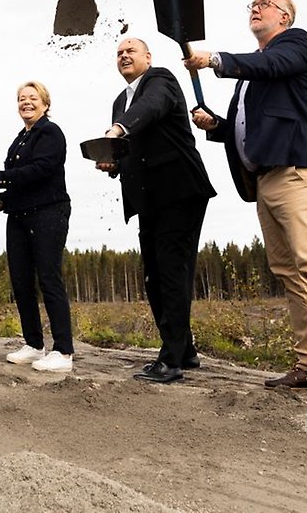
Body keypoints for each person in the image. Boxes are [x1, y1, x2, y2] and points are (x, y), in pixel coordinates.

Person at [184, 0, 307, 404]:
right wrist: (218, 125)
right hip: (264, 179)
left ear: (285, 16)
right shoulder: (253, 76)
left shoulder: (294, 45)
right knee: (289, 272)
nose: (255, 8)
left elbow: (270, 65)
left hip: (297, 171)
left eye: (264, 4)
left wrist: (214, 60)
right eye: (252, 5)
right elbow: (248, 129)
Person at [97, 38, 215, 383]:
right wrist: (113, 162)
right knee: (154, 276)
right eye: (119, 53)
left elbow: (152, 108)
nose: (124, 56)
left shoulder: (160, 81)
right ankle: (184, 349)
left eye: (131, 51)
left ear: (148, 58)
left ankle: (170, 361)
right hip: (147, 199)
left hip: (179, 190)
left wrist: (118, 129)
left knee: (171, 273)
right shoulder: (120, 101)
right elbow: (131, 150)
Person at [0, 82, 74, 372]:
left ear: (45, 104)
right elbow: (22, 183)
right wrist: (3, 202)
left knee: (48, 278)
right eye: (22, 99)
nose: (26, 103)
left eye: (33, 98)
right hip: (20, 216)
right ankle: (34, 344)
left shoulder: (50, 132)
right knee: (21, 281)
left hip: (49, 212)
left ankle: (63, 351)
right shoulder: (19, 139)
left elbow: (42, 170)